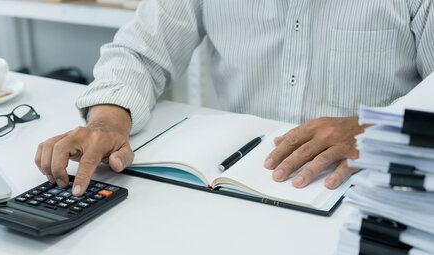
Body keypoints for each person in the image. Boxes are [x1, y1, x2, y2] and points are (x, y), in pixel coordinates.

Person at [35, 0, 434, 196]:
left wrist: (377, 127)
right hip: (231, 189)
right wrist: (106, 123)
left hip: (366, 191)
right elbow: (140, 52)